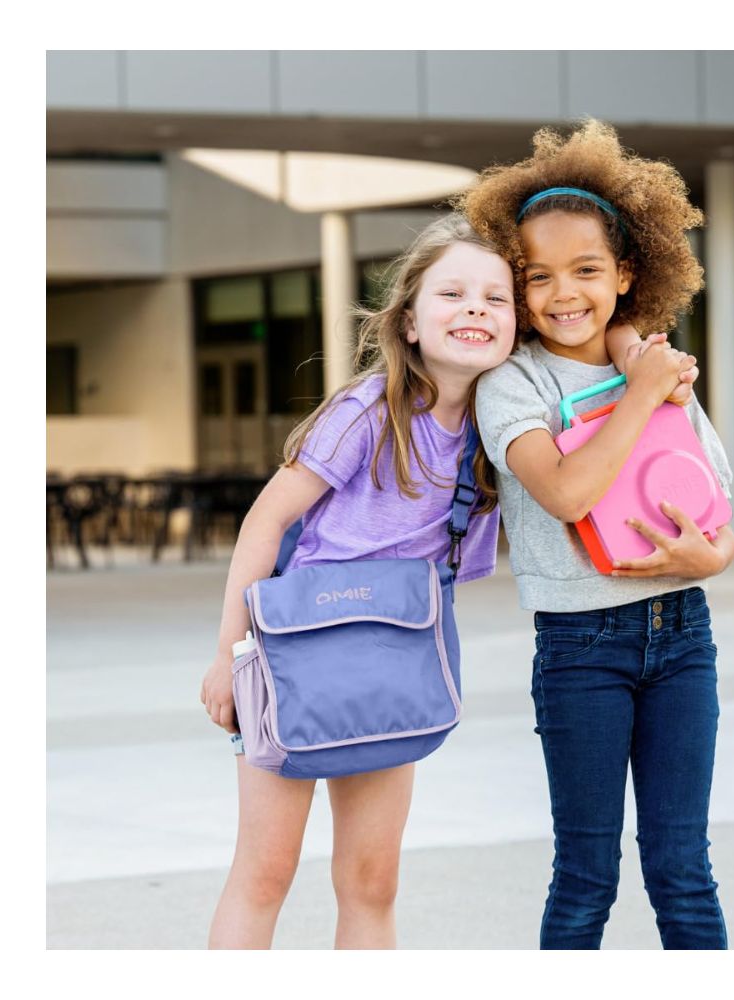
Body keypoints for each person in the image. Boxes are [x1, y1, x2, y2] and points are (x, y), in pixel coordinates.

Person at [199, 214, 518, 949]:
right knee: (266, 872)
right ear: (408, 322)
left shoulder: (492, 434)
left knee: (372, 882)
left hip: (389, 667)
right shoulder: (368, 410)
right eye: (453, 293)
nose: (474, 308)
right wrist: (228, 653)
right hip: (292, 662)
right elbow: (265, 521)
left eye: (495, 298)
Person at [457, 119, 734, 949]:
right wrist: (641, 391)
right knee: (586, 874)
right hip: (581, 650)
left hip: (684, 637)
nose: (562, 293)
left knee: (683, 867)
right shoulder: (511, 383)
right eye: (536, 276)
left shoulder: (651, 364)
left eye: (585, 270)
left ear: (624, 273)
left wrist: (711, 559)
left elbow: (717, 511)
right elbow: (570, 492)